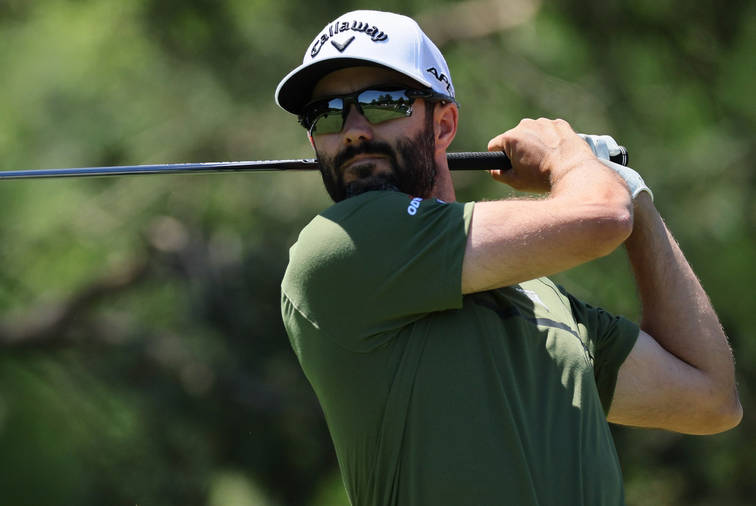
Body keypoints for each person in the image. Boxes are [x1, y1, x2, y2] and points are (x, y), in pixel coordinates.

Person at [275, 9, 742, 506]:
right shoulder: (342, 247)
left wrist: (633, 191)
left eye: (382, 103)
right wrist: (575, 162)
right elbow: (603, 217)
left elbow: (709, 399)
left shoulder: (539, 294)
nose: (352, 130)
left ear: (444, 124)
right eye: (326, 113)